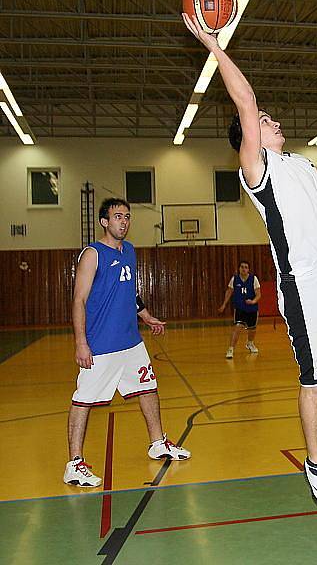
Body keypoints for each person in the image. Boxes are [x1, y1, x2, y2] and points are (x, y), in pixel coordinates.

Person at [183, 14, 317, 513]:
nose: (273, 121)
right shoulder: (256, 170)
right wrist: (214, 47)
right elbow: (246, 101)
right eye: (265, 121)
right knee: (314, 380)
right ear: (249, 138)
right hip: (303, 285)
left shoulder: (301, 165)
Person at [65, 198, 190, 487]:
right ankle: (74, 463)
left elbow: (129, 292)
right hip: (102, 345)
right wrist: (81, 343)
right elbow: (79, 300)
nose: (124, 221)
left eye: (127, 216)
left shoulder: (130, 251)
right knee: (83, 401)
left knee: (148, 388)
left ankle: (157, 443)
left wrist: (146, 316)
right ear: (104, 222)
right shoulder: (92, 254)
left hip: (131, 342)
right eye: (117, 216)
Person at [218, 260, 262, 358]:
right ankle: (231, 349)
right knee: (237, 328)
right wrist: (224, 304)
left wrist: (253, 301)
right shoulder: (235, 279)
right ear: (239, 269)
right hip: (240, 308)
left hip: (252, 308)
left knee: (252, 329)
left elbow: (259, 294)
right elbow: (229, 292)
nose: (243, 269)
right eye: (242, 267)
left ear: (248, 269)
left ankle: (250, 343)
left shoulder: (253, 279)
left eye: (246, 267)